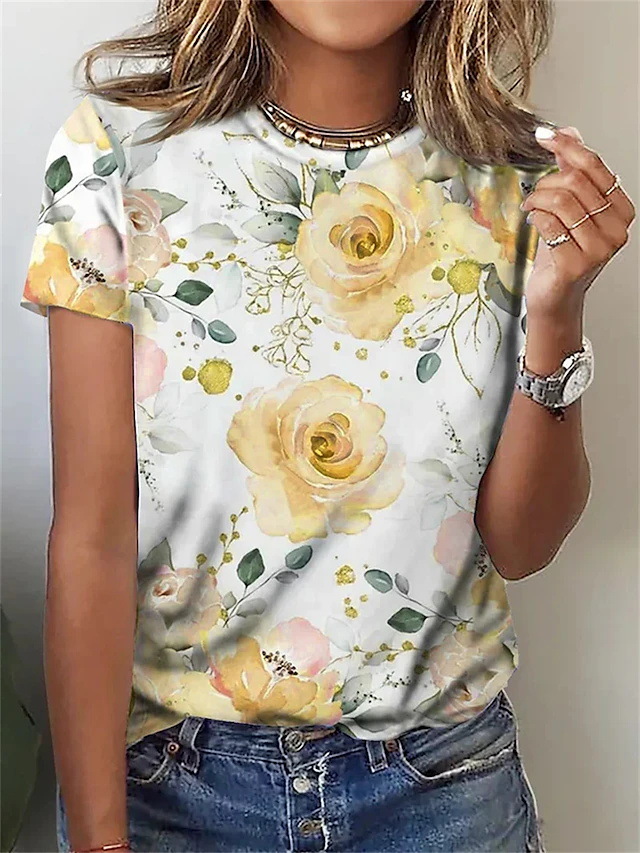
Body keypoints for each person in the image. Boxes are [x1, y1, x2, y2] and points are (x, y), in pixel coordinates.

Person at [20, 1, 635, 851]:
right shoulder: (118, 154)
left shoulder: (523, 179)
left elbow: (523, 543)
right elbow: (91, 536)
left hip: (442, 791)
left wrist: (558, 312)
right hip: (172, 790)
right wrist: (97, 839)